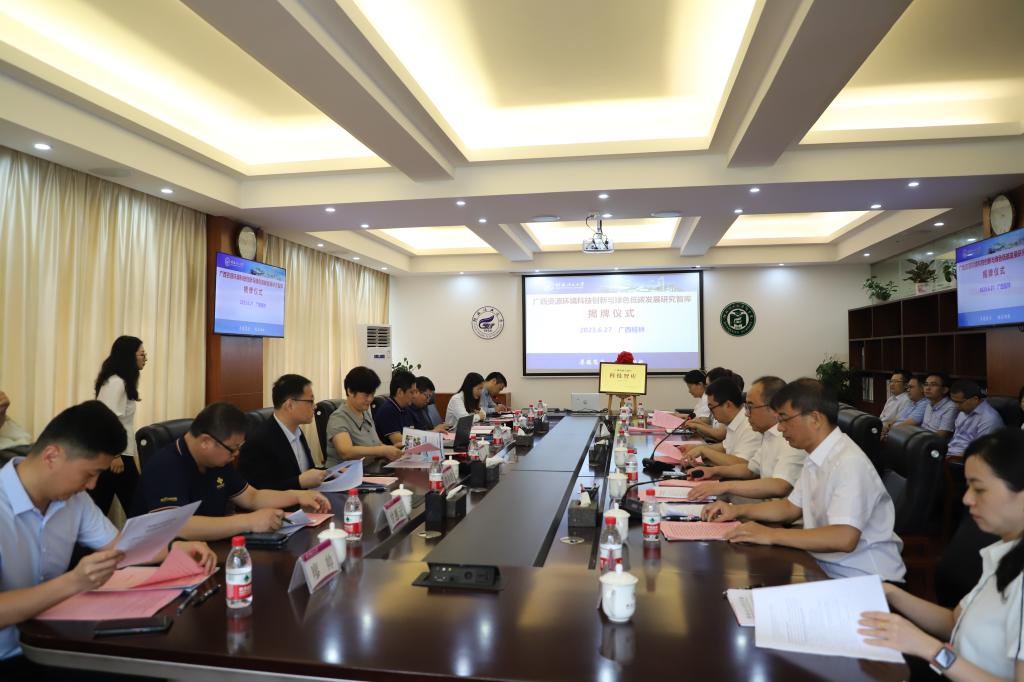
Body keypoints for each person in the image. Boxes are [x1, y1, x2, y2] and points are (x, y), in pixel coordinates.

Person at [0, 401, 215, 673]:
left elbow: (120, 548)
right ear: (52, 456)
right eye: (90, 474)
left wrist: (175, 548)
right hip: (10, 656)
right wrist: (73, 581)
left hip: (56, 643)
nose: (92, 485)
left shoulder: (74, 500)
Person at [858, 429, 1024, 680]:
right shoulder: (1006, 552)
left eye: (979, 489)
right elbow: (955, 621)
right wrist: (890, 592)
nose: (967, 499)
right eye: (968, 486)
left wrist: (929, 648)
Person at [703, 378, 905, 582]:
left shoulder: (848, 461)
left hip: (865, 580)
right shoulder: (817, 455)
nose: (780, 428)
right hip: (826, 568)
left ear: (814, 419)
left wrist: (770, 534)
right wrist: (737, 511)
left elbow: (844, 538)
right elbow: (791, 508)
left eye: (784, 419)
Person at [131, 402, 330, 541]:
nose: (235, 455)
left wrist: (297, 495)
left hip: (211, 550)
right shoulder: (165, 466)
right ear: (206, 442)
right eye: (232, 449)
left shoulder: (217, 460)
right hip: (161, 564)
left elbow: (252, 497)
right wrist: (248, 521)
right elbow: (176, 525)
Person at [687, 376, 806, 501]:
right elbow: (750, 469)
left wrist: (725, 486)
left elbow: (780, 486)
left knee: (715, 499)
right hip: (767, 502)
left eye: (750, 407)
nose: (746, 413)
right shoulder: (768, 434)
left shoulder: (791, 438)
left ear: (773, 408)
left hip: (774, 506)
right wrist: (714, 471)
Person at [89, 335, 146, 517]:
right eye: (142, 354)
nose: (145, 358)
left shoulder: (121, 381)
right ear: (129, 356)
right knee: (138, 509)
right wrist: (115, 455)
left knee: (98, 509)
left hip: (118, 454)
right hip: (115, 456)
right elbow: (104, 419)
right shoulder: (116, 382)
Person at [238, 374, 327, 491]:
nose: (314, 406)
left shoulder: (297, 431)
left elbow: (306, 472)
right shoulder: (259, 442)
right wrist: (299, 482)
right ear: (290, 405)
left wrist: (331, 472)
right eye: (310, 401)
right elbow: (257, 492)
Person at [324, 367, 403, 472]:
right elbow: (346, 452)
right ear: (350, 391)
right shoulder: (338, 418)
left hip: (370, 470)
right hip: (347, 475)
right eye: (366, 395)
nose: (370, 399)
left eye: (372, 394)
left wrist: (392, 449)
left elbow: (376, 445)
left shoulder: (365, 413)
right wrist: (382, 450)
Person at [678, 378, 762, 467]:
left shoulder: (750, 426)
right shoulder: (734, 421)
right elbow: (725, 447)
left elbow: (742, 464)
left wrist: (704, 451)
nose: (711, 414)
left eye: (712, 408)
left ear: (728, 405)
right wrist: (696, 448)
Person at [947, 380, 1005, 458]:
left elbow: (979, 450)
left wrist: (950, 458)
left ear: (975, 399)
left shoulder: (989, 418)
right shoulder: (963, 411)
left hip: (965, 459)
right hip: (950, 453)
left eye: (960, 402)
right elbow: (956, 438)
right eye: (954, 401)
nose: (956, 406)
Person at [374, 370, 417, 445]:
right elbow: (399, 441)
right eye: (411, 392)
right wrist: (426, 441)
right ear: (400, 392)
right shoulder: (387, 410)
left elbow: (413, 434)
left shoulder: (406, 408)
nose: (414, 396)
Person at [921, 372, 957, 440]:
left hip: (934, 443)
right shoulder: (929, 403)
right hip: (922, 438)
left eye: (933, 385)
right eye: (926, 384)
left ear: (945, 390)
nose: (927, 388)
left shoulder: (951, 407)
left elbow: (941, 435)